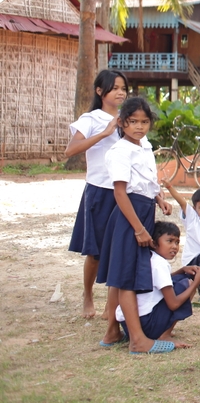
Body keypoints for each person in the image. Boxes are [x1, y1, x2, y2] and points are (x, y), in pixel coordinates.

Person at [97, 97, 175, 354]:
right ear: (121, 123)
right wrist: (139, 229)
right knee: (127, 277)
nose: (139, 127)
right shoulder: (119, 151)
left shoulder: (144, 146)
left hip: (143, 209)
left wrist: (159, 198)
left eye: (144, 122)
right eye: (133, 122)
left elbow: (146, 181)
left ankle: (111, 332)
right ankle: (138, 340)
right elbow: (120, 193)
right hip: (129, 214)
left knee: (121, 275)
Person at [64, 69, 129, 319]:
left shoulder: (129, 117)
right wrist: (104, 133)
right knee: (96, 251)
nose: (120, 92)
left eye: (123, 88)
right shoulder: (90, 119)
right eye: (114, 88)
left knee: (120, 247)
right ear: (100, 91)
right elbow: (71, 150)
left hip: (124, 190)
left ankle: (110, 305)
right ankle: (88, 294)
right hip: (100, 190)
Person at [115, 221, 200, 348]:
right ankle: (164, 334)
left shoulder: (147, 258)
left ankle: (160, 329)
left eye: (177, 242)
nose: (174, 246)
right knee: (187, 283)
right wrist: (197, 282)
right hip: (147, 325)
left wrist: (182, 270)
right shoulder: (160, 264)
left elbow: (158, 281)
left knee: (181, 278)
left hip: (128, 325)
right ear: (154, 243)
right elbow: (173, 304)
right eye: (169, 241)